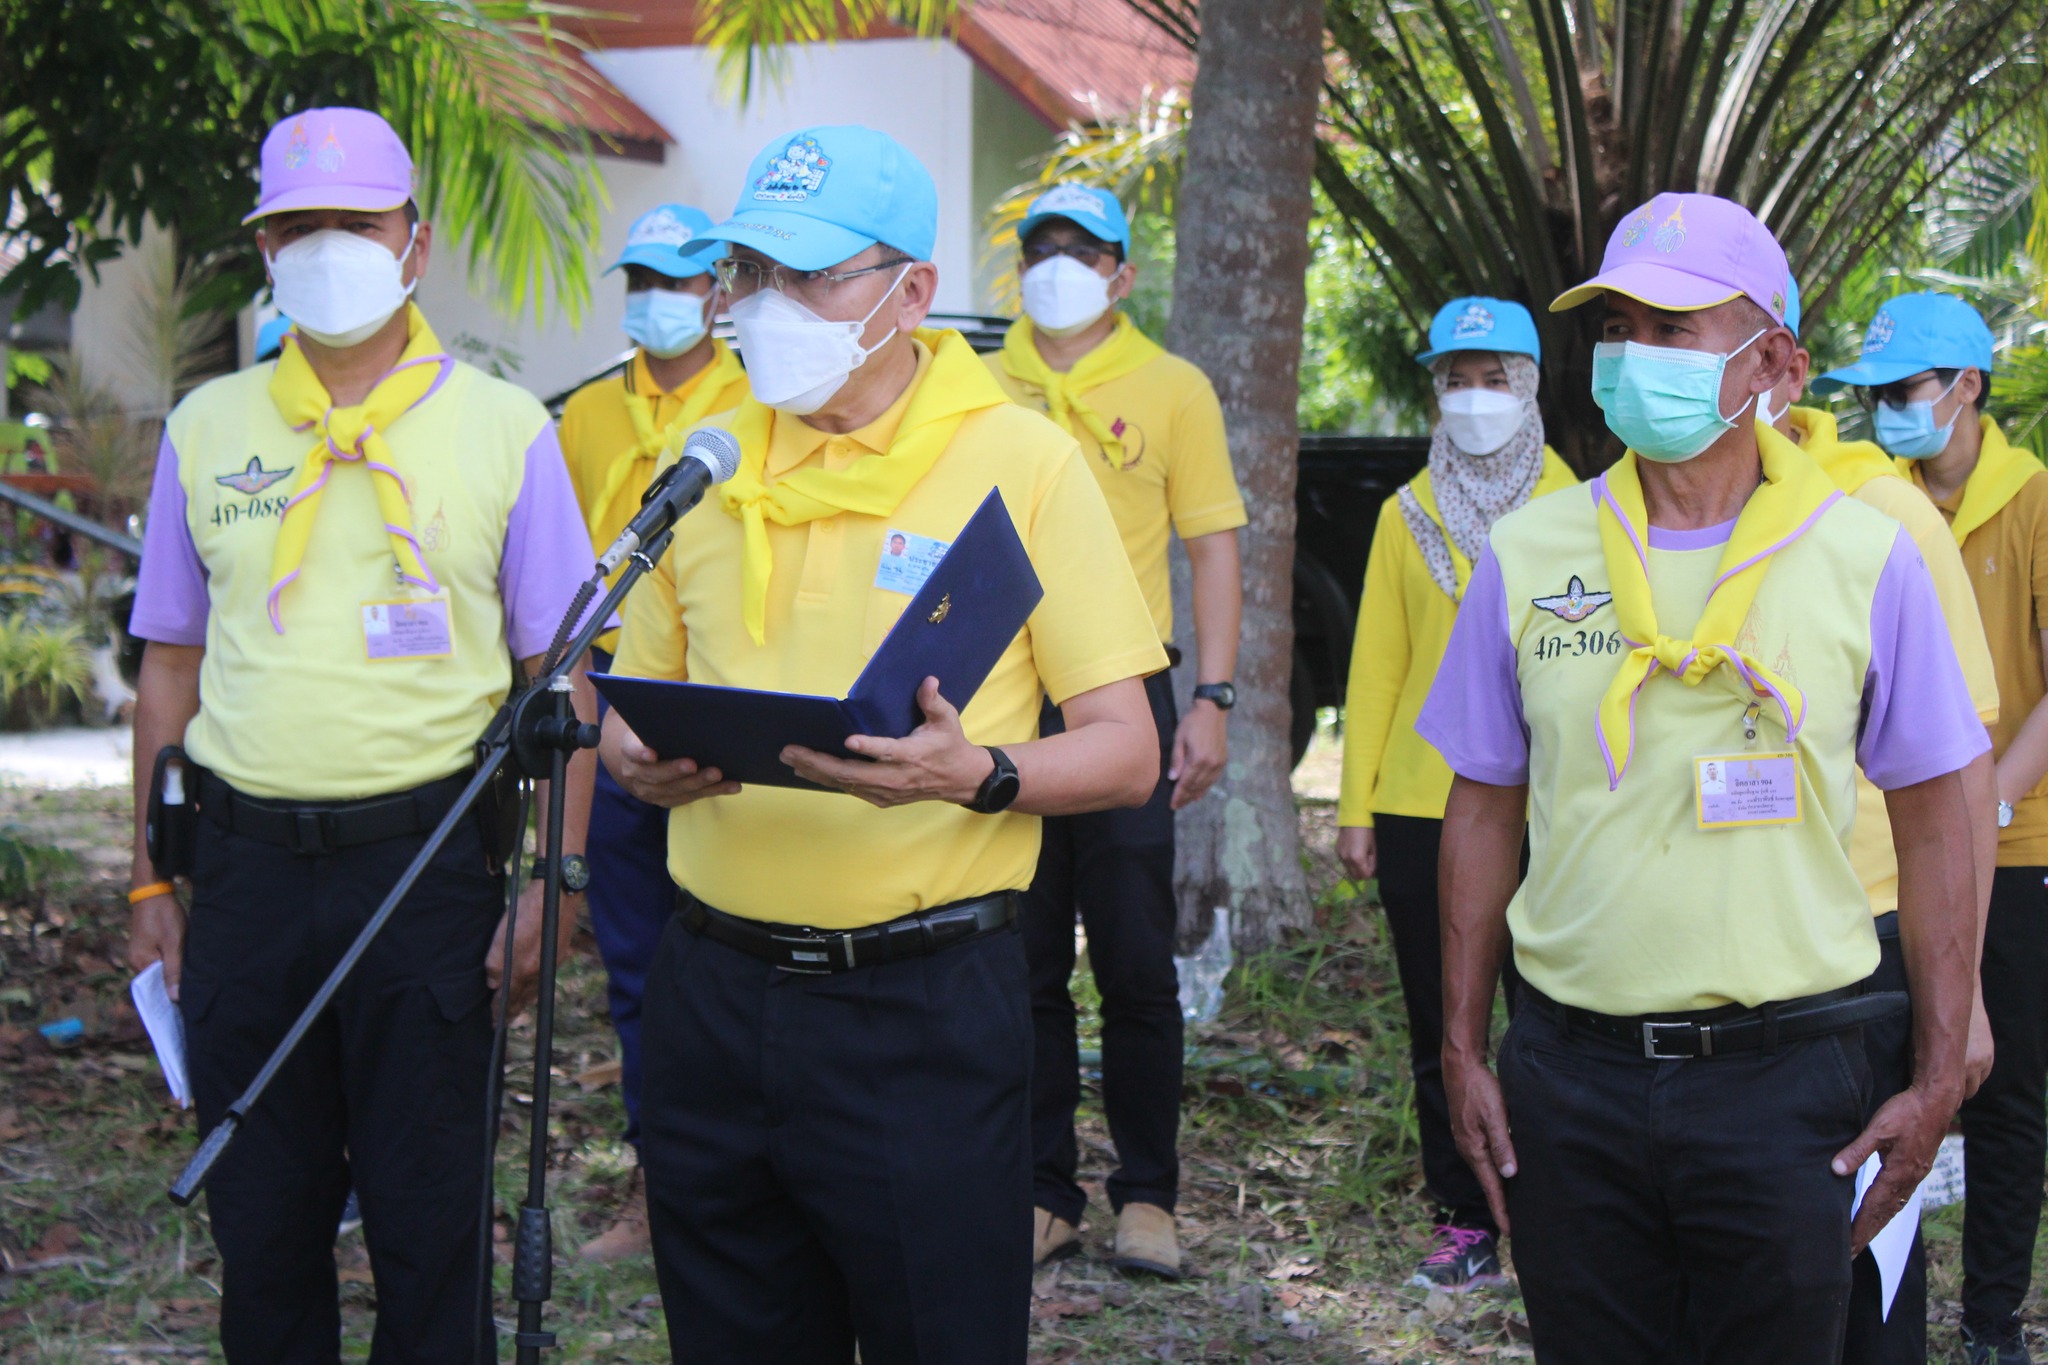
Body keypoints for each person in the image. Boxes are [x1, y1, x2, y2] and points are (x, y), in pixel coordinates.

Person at [598, 125, 1166, 1365]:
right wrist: (630, 756)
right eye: (749, 273)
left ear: (911, 293)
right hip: (711, 994)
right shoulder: (704, 459)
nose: (763, 306)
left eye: (808, 277)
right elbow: (627, 703)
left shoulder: (1020, 462)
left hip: (918, 1011)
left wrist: (981, 776)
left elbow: (1126, 752)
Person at [1422, 192, 1985, 1362]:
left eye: (1670, 329)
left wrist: (1937, 1071)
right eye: (1615, 328)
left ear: (1771, 362)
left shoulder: (1863, 554)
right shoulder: (1526, 554)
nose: (1632, 356)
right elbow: (1480, 805)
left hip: (1788, 1084)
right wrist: (1463, 1048)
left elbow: (1938, 818)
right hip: (1569, 1079)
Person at [122, 106, 598, 1362]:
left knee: (429, 1218)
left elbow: (563, 678)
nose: (327, 246)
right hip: (245, 876)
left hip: (427, 871)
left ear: (415, 245)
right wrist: (151, 879)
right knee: (262, 1222)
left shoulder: (507, 428)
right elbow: (169, 666)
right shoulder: (204, 427)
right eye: (299, 226)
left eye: (357, 222)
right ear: (264, 250)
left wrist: (554, 883)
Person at [981, 182, 1246, 1278]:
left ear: (1121, 274)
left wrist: (1213, 698)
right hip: (1005, 702)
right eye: (1039, 249)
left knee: (1135, 959)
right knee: (1024, 957)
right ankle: (1044, 1191)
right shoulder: (979, 383)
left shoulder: (1173, 387)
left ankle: (1148, 1195)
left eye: (1081, 251)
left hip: (1126, 698)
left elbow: (1212, 546)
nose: (1057, 267)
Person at [1764, 281, 2002, 1365]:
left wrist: (1966, 992)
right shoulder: (1639, 523)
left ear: (1777, 365)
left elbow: (1961, 773)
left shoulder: (1881, 516)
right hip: (1733, 957)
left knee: (1867, 1257)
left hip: (1867, 935)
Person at [1814, 292, 2048, 1365]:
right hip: (1894, 851)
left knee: (2002, 1086)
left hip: (2016, 839)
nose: (1885, 409)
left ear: (1966, 388)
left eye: (1904, 390)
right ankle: (1869, 1305)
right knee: (1897, 1087)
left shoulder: (2031, 499)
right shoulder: (1868, 501)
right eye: (1872, 394)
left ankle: (1991, 1320)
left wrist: (1987, 801)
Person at [1334, 296, 1575, 1293]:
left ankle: (1558, 1214)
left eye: (1494, 379)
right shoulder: (1406, 514)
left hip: (1547, 804)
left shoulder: (1576, 506)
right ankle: (1464, 1219)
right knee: (1444, 1021)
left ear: (1530, 387)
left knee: (1551, 1020)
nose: (1474, 398)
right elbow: (1375, 668)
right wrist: (1354, 807)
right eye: (1457, 379)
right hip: (1419, 804)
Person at [557, 202, 750, 1263]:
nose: (658, 300)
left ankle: (742, 1185)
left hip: (715, 693)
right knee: (633, 957)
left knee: (731, 948)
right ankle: (653, 1187)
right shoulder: (587, 412)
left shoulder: (755, 402)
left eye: (677, 281)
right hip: (609, 690)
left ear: (719, 290)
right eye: (641, 280)